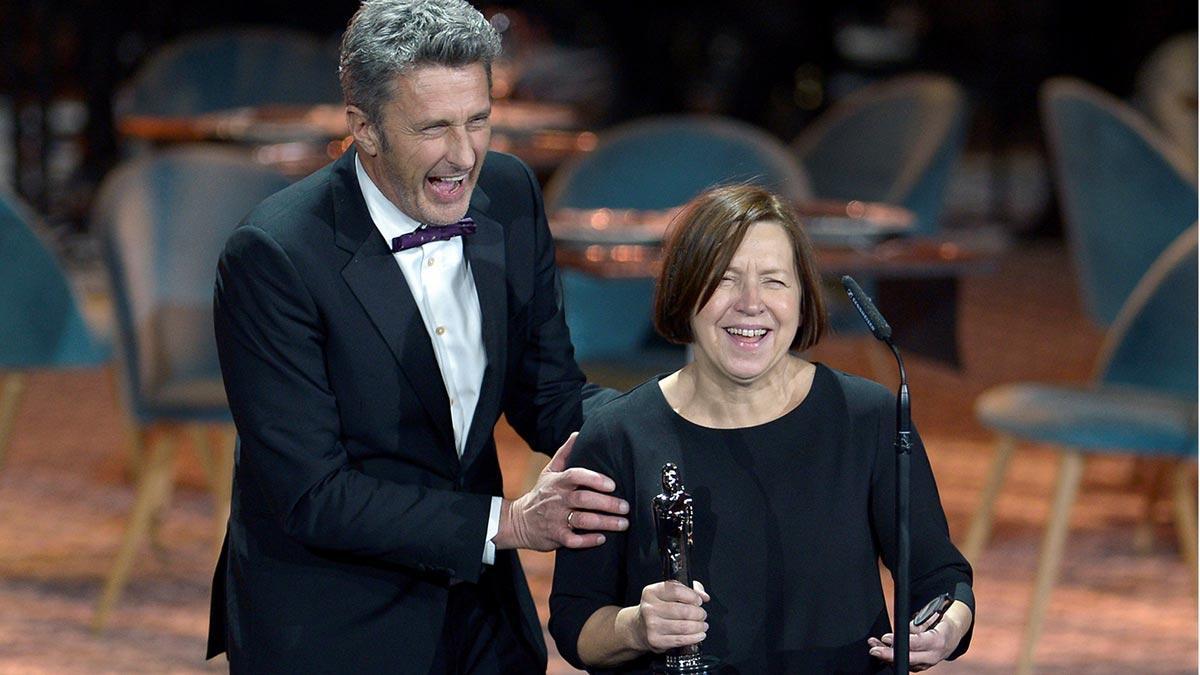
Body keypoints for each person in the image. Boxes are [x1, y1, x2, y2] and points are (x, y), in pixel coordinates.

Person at [206, 1, 630, 672]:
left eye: (479, 121)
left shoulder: (509, 193)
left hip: (482, 612)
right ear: (364, 129)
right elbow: (314, 495)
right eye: (433, 127)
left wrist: (679, 416)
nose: (463, 155)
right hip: (333, 620)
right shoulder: (275, 255)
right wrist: (510, 522)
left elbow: (548, 391)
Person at [549, 184, 975, 673]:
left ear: (801, 299)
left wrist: (943, 627)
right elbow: (576, 624)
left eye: (774, 281)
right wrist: (636, 627)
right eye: (725, 279)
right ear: (685, 292)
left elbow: (939, 576)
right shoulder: (617, 435)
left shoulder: (867, 417)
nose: (751, 303)